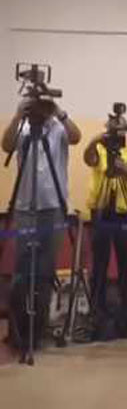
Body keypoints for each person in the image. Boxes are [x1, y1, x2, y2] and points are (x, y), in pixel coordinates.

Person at [1, 97, 81, 350]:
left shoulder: (57, 127)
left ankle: (39, 328)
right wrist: (17, 115)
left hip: (53, 207)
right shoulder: (23, 126)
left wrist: (59, 112)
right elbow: (6, 145)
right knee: (22, 270)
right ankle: (18, 329)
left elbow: (76, 137)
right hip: (25, 207)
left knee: (45, 271)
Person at [84, 104, 127, 340]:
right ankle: (97, 315)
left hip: (124, 216)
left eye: (121, 129)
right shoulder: (98, 150)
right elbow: (88, 158)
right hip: (101, 214)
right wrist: (99, 138)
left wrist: (120, 166)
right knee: (99, 267)